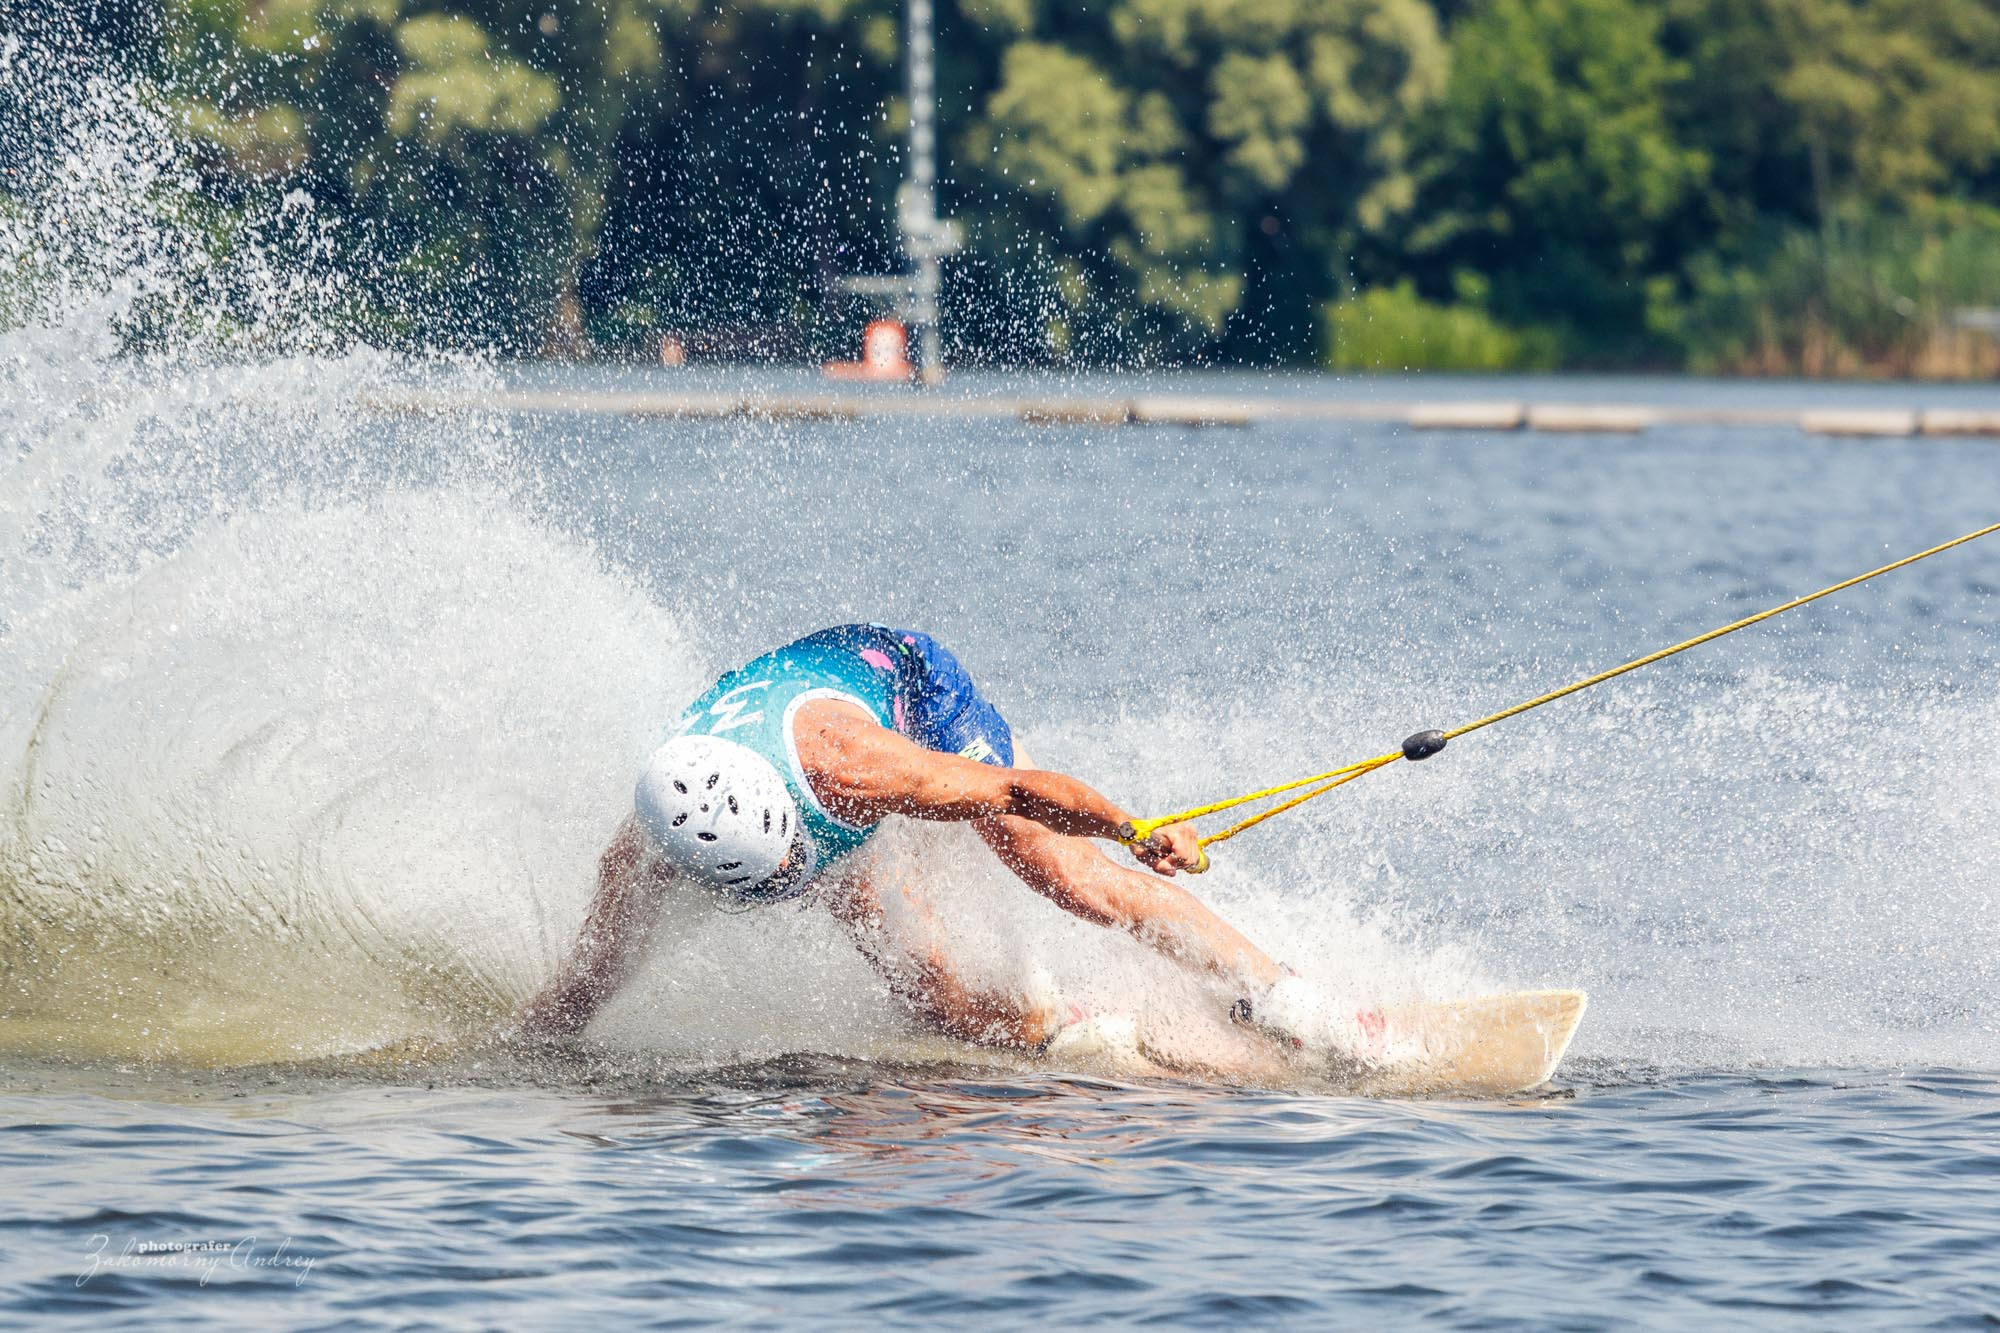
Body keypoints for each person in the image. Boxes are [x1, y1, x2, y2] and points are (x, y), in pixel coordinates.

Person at [517, 624, 1338, 1053]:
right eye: (775, 883)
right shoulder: (656, 835)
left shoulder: (859, 770)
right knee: (933, 1000)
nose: (798, 886)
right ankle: (1056, 1025)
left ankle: (1278, 992)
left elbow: (1017, 791)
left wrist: (1136, 829)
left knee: (1064, 874)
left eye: (794, 868)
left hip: (906, 687)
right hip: (781, 738)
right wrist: (530, 1047)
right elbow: (590, 974)